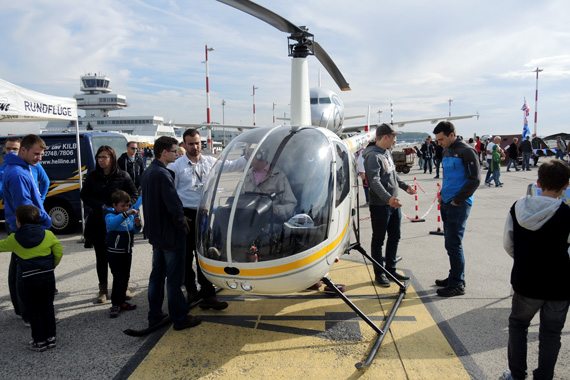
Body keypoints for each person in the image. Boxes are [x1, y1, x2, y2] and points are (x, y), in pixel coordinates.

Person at [501, 159, 570, 380]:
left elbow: (508, 244)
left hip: (526, 280)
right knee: (551, 333)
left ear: (538, 182)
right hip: (559, 285)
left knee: (518, 325)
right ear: (566, 186)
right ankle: (544, 376)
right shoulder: (567, 214)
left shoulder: (518, 207)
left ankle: (517, 374)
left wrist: (524, 259)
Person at [169, 128, 244, 308]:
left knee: (204, 253)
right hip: (186, 215)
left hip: (204, 213)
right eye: (191, 144)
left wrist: (248, 155)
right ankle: (191, 290)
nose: (195, 147)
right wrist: (179, 215)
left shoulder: (210, 161)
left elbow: (231, 166)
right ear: (184, 145)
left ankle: (208, 293)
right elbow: (170, 194)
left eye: (197, 143)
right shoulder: (176, 167)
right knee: (187, 256)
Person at [141, 136, 201, 331]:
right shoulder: (163, 174)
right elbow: (173, 205)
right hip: (170, 235)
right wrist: (181, 222)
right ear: (164, 152)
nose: (177, 153)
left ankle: (155, 315)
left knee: (157, 276)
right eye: (174, 151)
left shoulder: (149, 171)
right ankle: (180, 318)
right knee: (174, 280)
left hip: (157, 234)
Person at [3, 134, 52, 326]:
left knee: (18, 268)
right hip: (25, 229)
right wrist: (45, 219)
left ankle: (22, 310)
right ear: (23, 150)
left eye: (41, 154)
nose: (39, 158)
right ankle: (28, 314)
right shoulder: (18, 173)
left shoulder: (22, 168)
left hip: (21, 227)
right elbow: (24, 207)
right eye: (36, 154)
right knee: (24, 273)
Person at [0, 204, 62, 352]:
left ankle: (39, 342)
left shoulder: (14, 239)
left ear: (18, 222)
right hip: (47, 277)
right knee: (48, 307)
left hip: (29, 279)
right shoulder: (48, 235)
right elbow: (59, 251)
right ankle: (51, 339)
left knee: (34, 310)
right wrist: (51, 265)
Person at [80, 146, 138, 303]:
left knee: (121, 257)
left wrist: (123, 206)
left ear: (112, 158)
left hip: (120, 223)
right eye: (99, 157)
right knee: (101, 256)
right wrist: (101, 206)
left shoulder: (123, 176)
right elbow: (84, 195)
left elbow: (134, 194)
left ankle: (123, 286)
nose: (101, 159)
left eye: (105, 157)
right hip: (99, 222)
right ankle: (103, 289)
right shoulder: (92, 176)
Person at [363, 123, 416, 286]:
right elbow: (374, 181)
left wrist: (405, 186)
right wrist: (388, 198)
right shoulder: (373, 156)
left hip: (392, 204)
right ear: (385, 137)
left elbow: (392, 175)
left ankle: (391, 269)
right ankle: (380, 273)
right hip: (381, 205)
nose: (395, 140)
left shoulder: (386, 152)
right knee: (378, 239)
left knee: (395, 236)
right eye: (393, 137)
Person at [433, 121, 480, 297]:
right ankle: (455, 275)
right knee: (450, 242)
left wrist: (457, 201)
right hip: (446, 201)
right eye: (437, 140)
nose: (439, 143)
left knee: (454, 243)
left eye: (441, 139)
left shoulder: (467, 152)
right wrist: (441, 194)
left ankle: (457, 284)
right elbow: (449, 177)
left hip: (458, 204)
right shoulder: (447, 150)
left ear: (452, 135)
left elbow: (474, 180)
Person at [105, 190, 141, 318]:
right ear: (114, 205)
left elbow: (135, 230)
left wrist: (137, 225)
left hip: (127, 251)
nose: (126, 208)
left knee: (126, 276)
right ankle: (115, 303)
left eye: (127, 205)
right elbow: (112, 224)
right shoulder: (110, 215)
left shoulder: (129, 216)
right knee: (118, 277)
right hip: (115, 253)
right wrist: (126, 214)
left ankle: (122, 301)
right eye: (122, 206)